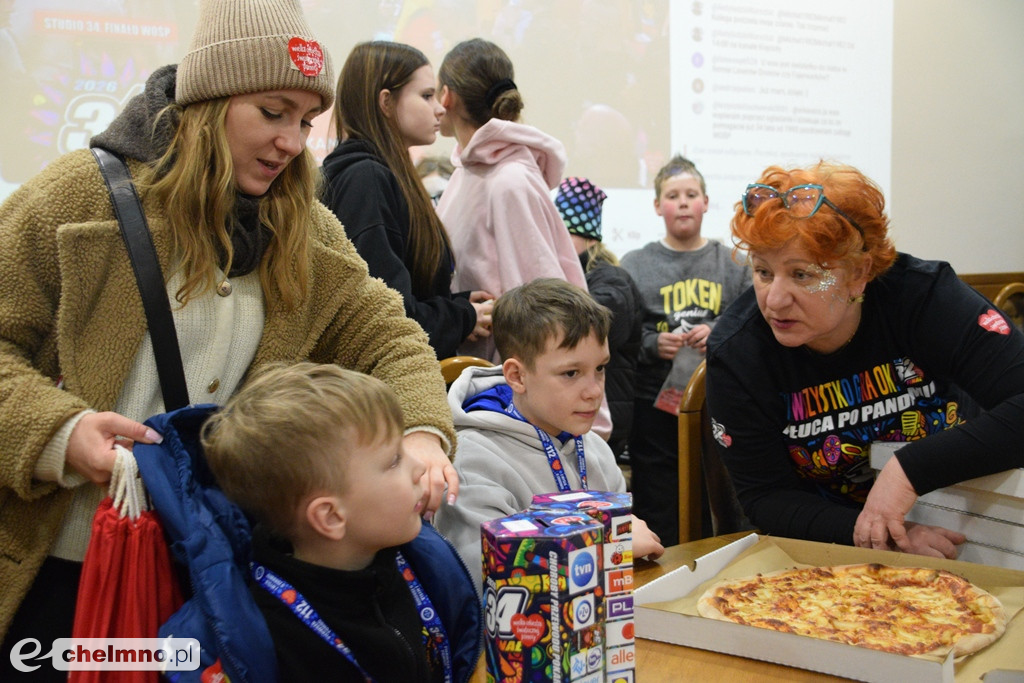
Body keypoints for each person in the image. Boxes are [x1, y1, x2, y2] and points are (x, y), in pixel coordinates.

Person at [0, 0, 457, 671]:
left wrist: (421, 429)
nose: (292, 141)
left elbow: (389, 336)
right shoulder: (76, 200)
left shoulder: (308, 230)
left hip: (210, 573)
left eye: (305, 120)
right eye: (272, 113)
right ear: (208, 103)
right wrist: (60, 434)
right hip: (57, 572)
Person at [705, 161, 1024, 559]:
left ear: (859, 273)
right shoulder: (738, 354)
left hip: (966, 529)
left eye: (802, 275)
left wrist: (907, 472)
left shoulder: (922, 298)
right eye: (763, 272)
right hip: (827, 554)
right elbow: (767, 497)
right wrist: (877, 533)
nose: (774, 299)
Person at [202, 363, 479, 681]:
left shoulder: (418, 560)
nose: (419, 467)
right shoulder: (277, 641)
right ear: (330, 517)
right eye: (393, 461)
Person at [433, 279, 664, 592]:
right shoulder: (472, 461)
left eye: (600, 368)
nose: (595, 391)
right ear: (517, 375)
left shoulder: (594, 448)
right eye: (571, 373)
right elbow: (485, 580)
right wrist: (612, 547)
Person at [321, 41, 494, 360]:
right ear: (386, 102)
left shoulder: (380, 174)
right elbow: (389, 318)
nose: (440, 107)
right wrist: (460, 317)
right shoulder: (367, 179)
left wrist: (456, 306)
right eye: (427, 96)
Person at [620, 155, 751, 545]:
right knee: (660, 501)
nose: (682, 202)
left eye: (690, 194)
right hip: (655, 410)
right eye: (672, 195)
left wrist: (719, 334)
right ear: (658, 206)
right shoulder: (634, 263)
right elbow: (623, 337)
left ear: (706, 203)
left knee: (721, 496)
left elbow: (752, 326)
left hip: (719, 404)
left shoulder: (734, 263)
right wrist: (651, 343)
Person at [434, 37, 587, 362]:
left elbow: (541, 299)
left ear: (446, 96)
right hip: (476, 378)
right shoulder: (466, 173)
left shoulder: (509, 181)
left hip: (509, 387)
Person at [555, 176, 643, 460]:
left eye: (563, 234)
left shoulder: (609, 278)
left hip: (604, 415)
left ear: (585, 235)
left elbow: (599, 327)